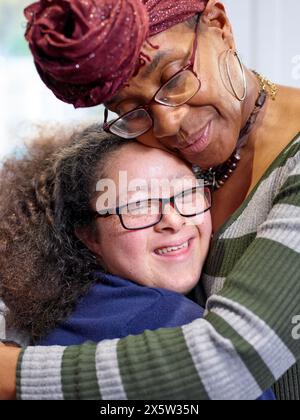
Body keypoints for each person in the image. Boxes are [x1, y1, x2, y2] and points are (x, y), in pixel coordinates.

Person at [1, 0, 300, 400]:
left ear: (219, 23)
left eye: (175, 78)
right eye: (131, 110)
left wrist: (12, 374)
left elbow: (232, 360)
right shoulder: (179, 156)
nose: (168, 123)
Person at [0, 125, 275, 400]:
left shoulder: (67, 305)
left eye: (185, 193)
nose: (174, 220)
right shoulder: (174, 324)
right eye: (138, 205)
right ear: (88, 234)